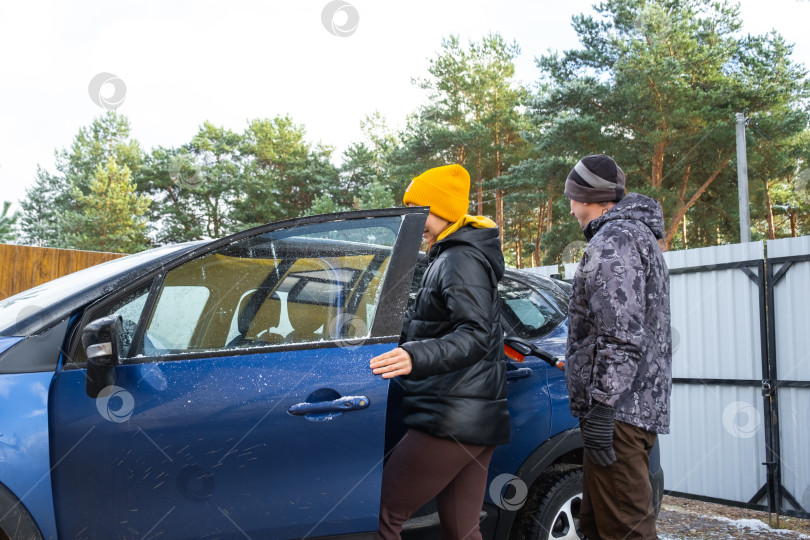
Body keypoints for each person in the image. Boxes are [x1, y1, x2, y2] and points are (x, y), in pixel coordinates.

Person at [369, 164, 510, 540]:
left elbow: (476, 334)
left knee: (382, 516)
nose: (415, 221)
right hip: (472, 419)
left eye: (421, 211)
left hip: (450, 419)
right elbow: (433, 323)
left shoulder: (459, 259)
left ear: (444, 210)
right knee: (462, 530)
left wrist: (415, 356)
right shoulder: (451, 255)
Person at [564, 154, 672, 540]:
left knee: (627, 530)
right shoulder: (636, 237)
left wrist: (604, 407)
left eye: (572, 198)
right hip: (629, 407)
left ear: (587, 197)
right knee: (598, 527)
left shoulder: (614, 241)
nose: (570, 208)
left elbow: (621, 334)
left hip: (619, 415)